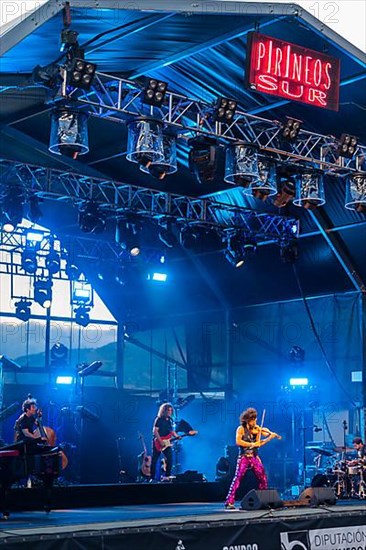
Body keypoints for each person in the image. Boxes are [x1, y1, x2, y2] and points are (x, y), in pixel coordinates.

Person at [224, 407, 280, 510]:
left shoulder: (257, 430)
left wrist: (269, 437)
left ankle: (263, 500)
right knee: (238, 478)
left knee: (263, 477)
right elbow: (238, 442)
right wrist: (252, 443)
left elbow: (259, 444)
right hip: (244, 457)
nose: (255, 423)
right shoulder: (241, 429)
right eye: (253, 420)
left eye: (255, 420)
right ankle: (229, 501)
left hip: (254, 456)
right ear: (247, 420)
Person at [150, 402, 181, 481]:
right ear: (164, 411)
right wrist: (160, 441)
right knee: (154, 460)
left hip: (167, 443)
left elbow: (172, 431)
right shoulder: (159, 419)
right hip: (158, 442)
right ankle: (152, 478)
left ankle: (167, 476)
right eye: (168, 410)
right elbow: (155, 431)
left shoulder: (170, 420)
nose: (170, 412)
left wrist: (177, 436)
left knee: (170, 459)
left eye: (171, 410)